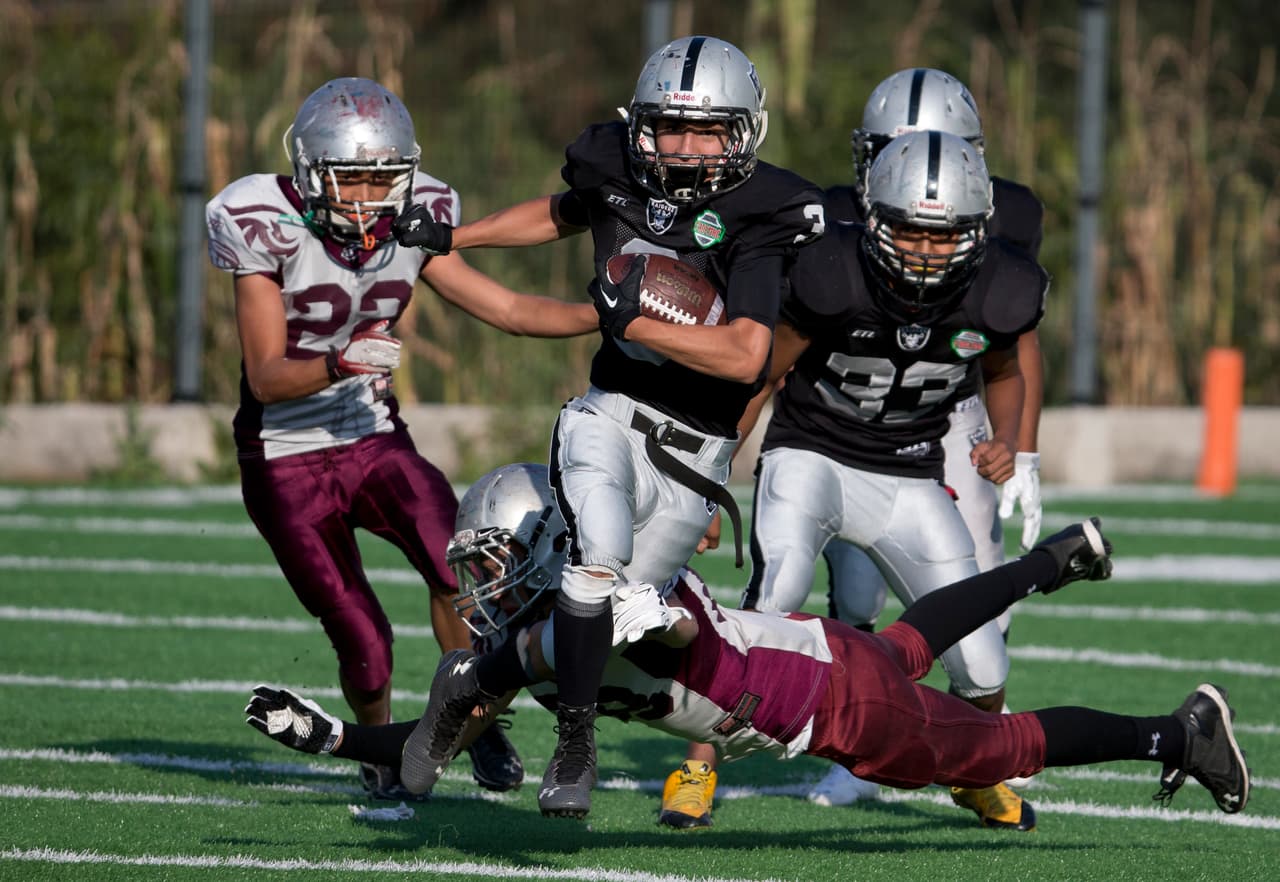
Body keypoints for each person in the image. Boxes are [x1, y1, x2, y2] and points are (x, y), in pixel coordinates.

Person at [243, 463, 1252, 825]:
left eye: (498, 563)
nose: (482, 588)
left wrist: (657, 614)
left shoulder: (607, 603)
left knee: (998, 749)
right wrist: (337, 741)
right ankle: (1049, 562)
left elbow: (670, 622)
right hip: (811, 656)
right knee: (902, 642)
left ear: (551, 549)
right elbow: (445, 730)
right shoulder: (552, 636)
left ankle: (1176, 732)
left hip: (819, 704)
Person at [391, 36, 825, 818]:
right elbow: (562, 213)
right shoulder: (613, 166)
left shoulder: (766, 211)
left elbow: (746, 355)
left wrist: (639, 323)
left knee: (611, 624)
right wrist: (456, 237)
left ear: (744, 133)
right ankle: (576, 747)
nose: (687, 150)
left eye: (708, 132)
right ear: (640, 126)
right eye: (669, 129)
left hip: (696, 452)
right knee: (597, 562)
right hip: (611, 414)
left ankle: (467, 685)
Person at [205, 77, 597, 800]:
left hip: (372, 436)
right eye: (350, 179)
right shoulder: (260, 220)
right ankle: (380, 752)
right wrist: (339, 359)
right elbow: (264, 376)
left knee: (466, 570)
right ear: (311, 174)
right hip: (285, 455)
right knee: (365, 641)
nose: (366, 198)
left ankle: (466, 717)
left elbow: (507, 308)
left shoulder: (415, 222)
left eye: (382, 179)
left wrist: (610, 316)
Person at [660, 128, 1047, 831]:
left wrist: (1009, 441)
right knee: (771, 603)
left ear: (977, 229)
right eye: (910, 231)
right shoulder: (831, 271)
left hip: (909, 473)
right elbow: (761, 375)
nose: (926, 250)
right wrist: (710, 481)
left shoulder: (1002, 286)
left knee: (985, 666)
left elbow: (1004, 370)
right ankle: (696, 768)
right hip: (813, 454)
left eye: (945, 234)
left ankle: (977, 771)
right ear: (872, 219)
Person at [787, 66, 1053, 810]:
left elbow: (1013, 342)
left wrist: (1022, 448)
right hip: (858, 423)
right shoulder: (834, 219)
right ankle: (859, 745)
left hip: (955, 412)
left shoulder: (1009, 216)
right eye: (888, 151)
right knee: (859, 591)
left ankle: (981, 752)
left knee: (978, 595)